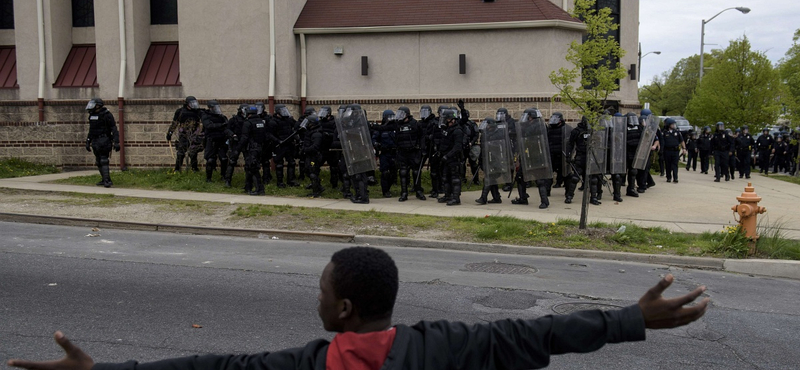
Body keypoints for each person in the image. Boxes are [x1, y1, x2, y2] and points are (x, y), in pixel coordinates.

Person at [7, 246, 710, 370]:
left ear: (342, 308)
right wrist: (630, 319)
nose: (313, 297)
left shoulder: (301, 365)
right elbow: (540, 334)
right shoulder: (447, 348)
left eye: (319, 291)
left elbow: (207, 364)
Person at [238, 105, 277, 195]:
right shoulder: (261, 122)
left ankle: (259, 189)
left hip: (251, 148)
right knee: (249, 167)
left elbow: (244, 138)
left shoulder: (248, 123)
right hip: (260, 148)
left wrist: (237, 149)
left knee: (253, 168)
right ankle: (248, 187)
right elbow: (265, 136)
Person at [84, 98, 120, 188]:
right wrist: (88, 141)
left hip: (104, 140)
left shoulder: (106, 115)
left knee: (104, 160)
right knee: (98, 161)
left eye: (93, 104)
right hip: (95, 140)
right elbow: (91, 130)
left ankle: (107, 181)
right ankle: (104, 178)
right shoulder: (92, 115)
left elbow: (114, 128)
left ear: (98, 105)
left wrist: (116, 141)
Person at [565, 117, 601, 205]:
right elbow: (570, 143)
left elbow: (599, 142)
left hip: (591, 156)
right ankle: (569, 196)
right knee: (575, 178)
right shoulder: (576, 131)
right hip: (580, 156)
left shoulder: (593, 130)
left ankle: (593, 198)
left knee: (593, 180)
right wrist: (568, 155)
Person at [167, 96, 204, 172]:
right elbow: (175, 123)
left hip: (194, 135)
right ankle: (177, 169)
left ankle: (194, 169)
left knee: (193, 153)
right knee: (181, 153)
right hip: (183, 135)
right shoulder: (180, 112)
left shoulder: (198, 112)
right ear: (187, 104)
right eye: (192, 103)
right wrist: (170, 133)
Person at [475, 118, 505, 205]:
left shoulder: (497, 134)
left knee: (488, 179)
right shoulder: (485, 134)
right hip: (488, 160)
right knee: (492, 180)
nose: (486, 127)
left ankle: (483, 198)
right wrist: (480, 161)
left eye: (487, 125)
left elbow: (496, 148)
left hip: (495, 161)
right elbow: (483, 149)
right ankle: (496, 198)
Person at [437, 109, 464, 206]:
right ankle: (447, 195)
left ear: (451, 119)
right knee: (445, 178)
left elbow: (457, 147)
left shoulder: (457, 130)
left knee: (455, 179)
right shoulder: (447, 129)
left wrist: (447, 156)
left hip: (453, 158)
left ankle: (456, 198)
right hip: (446, 158)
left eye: (446, 119)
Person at [200, 100, 229, 183]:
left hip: (221, 140)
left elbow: (226, 125)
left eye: (217, 107)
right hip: (211, 141)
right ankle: (208, 179)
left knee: (224, 159)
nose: (216, 109)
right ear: (210, 108)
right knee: (210, 160)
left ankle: (223, 176)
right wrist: (220, 125)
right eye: (214, 107)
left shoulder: (221, 117)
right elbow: (208, 126)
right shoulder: (205, 115)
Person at [271, 104, 300, 188]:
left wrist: (296, 138)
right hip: (279, 145)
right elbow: (269, 134)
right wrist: (278, 140)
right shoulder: (273, 121)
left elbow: (294, 128)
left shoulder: (288, 120)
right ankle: (280, 182)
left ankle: (291, 180)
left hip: (289, 144)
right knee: (279, 164)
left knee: (292, 162)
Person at [373, 110, 398, 198]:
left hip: (394, 153)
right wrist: (376, 144)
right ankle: (385, 191)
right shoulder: (381, 129)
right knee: (385, 173)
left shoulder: (396, 128)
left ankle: (389, 187)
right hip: (385, 153)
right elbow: (374, 139)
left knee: (393, 173)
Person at [224, 104, 249, 187]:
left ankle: (248, 182)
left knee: (249, 162)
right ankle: (227, 181)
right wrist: (233, 135)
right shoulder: (234, 119)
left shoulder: (248, 120)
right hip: (236, 142)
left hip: (245, 142)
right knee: (232, 161)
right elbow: (227, 129)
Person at [301, 114, 324, 198]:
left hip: (314, 156)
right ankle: (319, 187)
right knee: (308, 171)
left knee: (313, 174)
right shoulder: (310, 132)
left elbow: (315, 147)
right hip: (309, 156)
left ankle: (316, 192)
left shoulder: (317, 134)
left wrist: (305, 149)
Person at [660, 118, 685, 183]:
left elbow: (682, 141)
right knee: (668, 164)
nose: (673, 125)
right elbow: (661, 142)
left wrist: (684, 149)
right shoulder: (664, 133)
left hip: (675, 151)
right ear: (668, 125)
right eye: (672, 124)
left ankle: (675, 178)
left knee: (675, 164)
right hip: (667, 151)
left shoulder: (677, 132)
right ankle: (668, 177)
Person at [548, 112, 567, 189]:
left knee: (560, 168)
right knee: (551, 168)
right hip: (551, 151)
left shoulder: (564, 128)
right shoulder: (550, 128)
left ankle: (559, 182)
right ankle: (549, 183)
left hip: (560, 152)